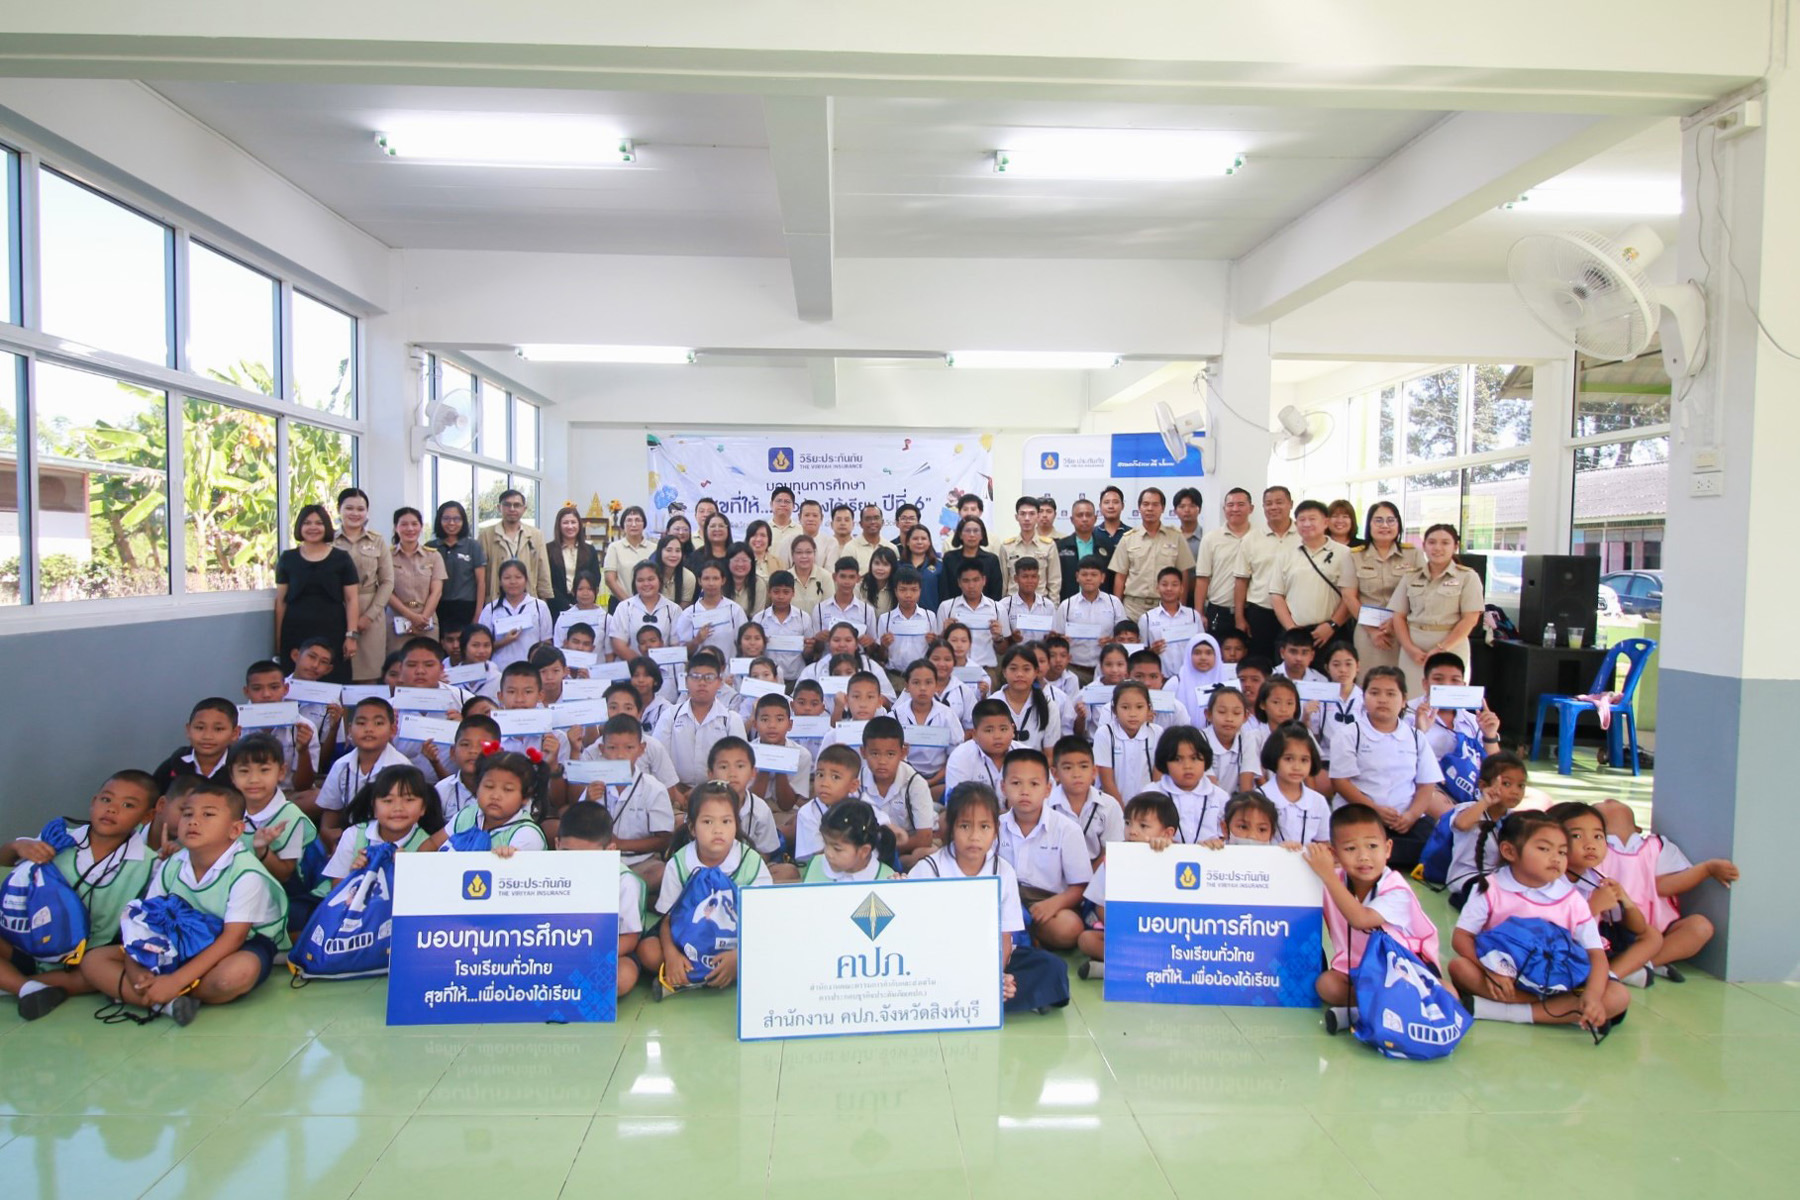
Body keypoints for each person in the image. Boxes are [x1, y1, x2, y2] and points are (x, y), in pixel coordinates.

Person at [82, 779, 289, 1026]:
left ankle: (151, 994)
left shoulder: (246, 873)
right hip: (177, 941)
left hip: (239, 945)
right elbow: (144, 923)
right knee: (93, 961)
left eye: (208, 814)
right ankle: (165, 1002)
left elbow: (232, 939)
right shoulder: (172, 864)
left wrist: (176, 981)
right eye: (187, 814)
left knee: (234, 976)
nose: (193, 821)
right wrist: (138, 971)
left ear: (235, 830)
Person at [1448, 812, 1629, 1035]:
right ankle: (1560, 1012)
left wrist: (1592, 996)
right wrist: (1492, 970)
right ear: (1509, 851)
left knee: (1618, 996)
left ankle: (1504, 1011)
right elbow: (1461, 937)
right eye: (1544, 849)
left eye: (1562, 852)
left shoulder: (1572, 899)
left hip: (1561, 981)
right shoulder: (1490, 887)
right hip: (1509, 979)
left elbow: (1596, 954)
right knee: (1459, 968)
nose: (1556, 858)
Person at [0, 770, 158, 1020]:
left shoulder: (150, 864)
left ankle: (17, 985)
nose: (112, 809)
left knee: (97, 973)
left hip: (80, 960)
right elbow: (5, 858)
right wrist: (18, 846)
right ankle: (27, 988)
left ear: (147, 816)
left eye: (128, 805)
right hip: (27, 945)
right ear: (93, 802)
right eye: (106, 800)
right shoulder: (59, 839)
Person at [907, 781, 1066, 1014]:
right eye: (965, 826)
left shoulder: (1003, 871)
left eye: (984, 827)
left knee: (1053, 968)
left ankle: (987, 994)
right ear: (950, 827)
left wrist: (996, 977)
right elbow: (912, 937)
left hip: (989, 959)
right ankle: (990, 999)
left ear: (995, 829)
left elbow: (1005, 936)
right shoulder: (929, 868)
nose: (974, 837)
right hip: (941, 961)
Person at [1307, 803, 1442, 1034]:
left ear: (1388, 848)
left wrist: (1327, 875)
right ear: (1334, 854)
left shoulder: (1397, 890)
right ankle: (1381, 1011)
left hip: (1404, 972)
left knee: (1447, 994)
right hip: (1358, 970)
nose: (1363, 857)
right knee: (1326, 985)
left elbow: (1360, 919)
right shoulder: (1334, 878)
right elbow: (1295, 868)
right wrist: (1290, 851)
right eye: (1350, 848)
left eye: (1372, 846)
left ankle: (1362, 1013)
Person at [1596, 798, 1738, 978]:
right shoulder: (1595, 850)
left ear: (1638, 829)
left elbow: (1666, 886)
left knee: (1700, 927)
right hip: (1610, 931)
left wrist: (1706, 869)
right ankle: (1626, 968)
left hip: (1657, 929)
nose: (1609, 800)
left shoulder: (1657, 846)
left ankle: (1643, 965)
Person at [1327, 666, 1445, 869]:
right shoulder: (1349, 734)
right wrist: (1374, 811)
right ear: (1364, 697)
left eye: (1391, 694)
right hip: (1362, 816)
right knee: (1357, 842)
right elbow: (1340, 782)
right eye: (1374, 693)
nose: (1382, 699)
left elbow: (1426, 785)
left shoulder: (1416, 737)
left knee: (1433, 848)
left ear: (1404, 699)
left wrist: (1411, 816)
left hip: (1404, 820)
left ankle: (1385, 853)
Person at [1076, 791, 1178, 978]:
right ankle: (1140, 967)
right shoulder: (1116, 858)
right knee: (1087, 940)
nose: (1132, 831)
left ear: (1167, 833)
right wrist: (1124, 930)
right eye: (1128, 823)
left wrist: (1167, 850)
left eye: (1143, 826)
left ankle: (1114, 968)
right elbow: (1100, 906)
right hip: (1125, 934)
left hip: (1162, 935)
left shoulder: (1177, 856)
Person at [998, 747, 1091, 951]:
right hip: (1003, 898)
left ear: (1048, 789)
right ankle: (1023, 936)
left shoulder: (1067, 829)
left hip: (1045, 901)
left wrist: (1054, 904)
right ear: (1003, 787)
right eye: (1016, 783)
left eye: (1034, 784)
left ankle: (1023, 935)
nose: (1024, 791)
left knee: (1069, 928)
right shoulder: (995, 826)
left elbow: (1080, 887)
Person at [556, 801, 646, 997]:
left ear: (610, 851)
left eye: (587, 857)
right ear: (557, 845)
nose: (577, 864)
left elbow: (630, 938)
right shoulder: (546, 870)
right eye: (568, 854)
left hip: (609, 952)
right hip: (558, 950)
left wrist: (590, 959)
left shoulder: (625, 882)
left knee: (622, 978)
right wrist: (505, 859)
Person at [1390, 523, 1488, 695]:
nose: (1437, 548)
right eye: (1432, 542)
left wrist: (1442, 649)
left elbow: (1470, 619)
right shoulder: (1411, 576)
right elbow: (1398, 616)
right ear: (1424, 546)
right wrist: (1410, 648)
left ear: (1455, 546)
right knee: (1411, 699)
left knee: (1447, 701)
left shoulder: (1467, 577)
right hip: (1414, 650)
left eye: (1445, 543)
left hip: (1451, 647)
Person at [275, 503, 361, 683]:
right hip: (295, 630)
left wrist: (351, 636)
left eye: (319, 523)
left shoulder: (341, 558)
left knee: (334, 681)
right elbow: (281, 602)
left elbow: (351, 599)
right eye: (307, 523)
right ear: (299, 527)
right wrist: (278, 639)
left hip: (333, 630)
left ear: (326, 527)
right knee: (295, 682)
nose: (313, 527)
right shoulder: (288, 558)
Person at [321, 764, 440, 886]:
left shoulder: (428, 845)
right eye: (388, 801)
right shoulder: (354, 834)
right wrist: (356, 874)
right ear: (374, 807)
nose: (398, 808)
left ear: (423, 807)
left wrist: (406, 873)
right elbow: (336, 885)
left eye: (409, 800)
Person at [315, 697, 412, 846]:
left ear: (392, 730)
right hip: (348, 838)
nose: (369, 729)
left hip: (390, 841)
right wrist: (331, 835)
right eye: (361, 723)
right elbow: (329, 818)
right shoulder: (341, 766)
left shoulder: (403, 768)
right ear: (349, 730)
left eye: (378, 723)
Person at [1342, 501, 1420, 674]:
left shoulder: (1414, 554)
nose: (1385, 525)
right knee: (1369, 678)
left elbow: (1421, 593)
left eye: (1390, 520)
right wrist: (1372, 631)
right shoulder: (1355, 555)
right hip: (1368, 630)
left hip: (1405, 630)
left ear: (1398, 524)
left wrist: (1396, 623)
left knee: (1404, 680)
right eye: (1378, 520)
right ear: (1369, 525)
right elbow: (1349, 597)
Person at [423, 749, 549, 852]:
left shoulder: (527, 834)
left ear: (525, 797)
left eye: (508, 789)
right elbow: (432, 843)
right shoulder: (467, 814)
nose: (495, 796)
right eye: (489, 786)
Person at [1269, 500, 1354, 651]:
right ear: (1296, 524)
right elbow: (1276, 594)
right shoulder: (1285, 554)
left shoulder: (1345, 553)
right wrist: (1291, 629)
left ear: (1325, 522)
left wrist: (1332, 625)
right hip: (1296, 633)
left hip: (1333, 632)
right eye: (1302, 520)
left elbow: (1350, 596)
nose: (1307, 524)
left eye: (1312, 519)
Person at [331, 487, 396, 682]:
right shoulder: (328, 541)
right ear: (339, 509)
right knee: (336, 671)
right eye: (349, 508)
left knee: (370, 673)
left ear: (367, 512)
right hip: (337, 609)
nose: (355, 513)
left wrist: (369, 616)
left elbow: (387, 581)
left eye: (360, 509)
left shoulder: (377, 541)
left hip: (370, 610)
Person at [1233, 485, 1299, 660]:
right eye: (1268, 504)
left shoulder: (1303, 536)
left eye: (1279, 502)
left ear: (1291, 504)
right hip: (1261, 612)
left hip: (1296, 612)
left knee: (1292, 661)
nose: (1274, 507)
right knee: (1261, 661)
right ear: (1263, 507)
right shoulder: (1251, 539)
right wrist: (1239, 617)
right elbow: (1241, 580)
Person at [858, 717, 935, 867]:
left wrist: (885, 851)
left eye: (890, 754)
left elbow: (924, 838)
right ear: (863, 752)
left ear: (903, 752)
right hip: (866, 851)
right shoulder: (856, 782)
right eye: (875, 754)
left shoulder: (915, 783)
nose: (882, 761)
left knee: (928, 853)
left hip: (903, 848)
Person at [1111, 487, 1194, 621]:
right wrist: (1117, 611)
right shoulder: (1128, 539)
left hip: (1166, 606)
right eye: (1146, 504)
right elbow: (1120, 577)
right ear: (1139, 508)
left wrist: (1181, 607)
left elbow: (1184, 574)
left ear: (1163, 508)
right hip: (1133, 608)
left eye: (1155, 505)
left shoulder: (1176, 537)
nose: (1150, 508)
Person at [1047, 736, 1123, 864]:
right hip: (1054, 870)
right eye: (1068, 768)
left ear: (1094, 771)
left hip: (1098, 870)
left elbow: (1112, 851)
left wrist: (1090, 875)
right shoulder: (1045, 805)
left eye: (1083, 766)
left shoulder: (1109, 806)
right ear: (1055, 774)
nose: (1076, 774)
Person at [1193, 487, 1253, 636]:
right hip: (1219, 611)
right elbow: (1202, 578)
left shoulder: (1260, 537)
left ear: (1251, 508)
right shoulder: (1211, 539)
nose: (1235, 509)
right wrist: (1199, 613)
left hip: (1252, 611)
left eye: (1241, 504)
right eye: (1230, 505)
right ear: (1224, 509)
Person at [1154, 725, 1231, 843]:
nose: (1187, 766)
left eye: (1194, 758)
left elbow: (1229, 837)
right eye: (1178, 759)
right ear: (1165, 762)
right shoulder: (1152, 794)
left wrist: (1218, 842)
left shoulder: (1221, 797)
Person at [1261, 724, 1332, 845]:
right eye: (1288, 759)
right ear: (1274, 757)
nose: (1297, 767)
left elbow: (1324, 842)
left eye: (1304, 760)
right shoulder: (1259, 798)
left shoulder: (1318, 801)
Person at [478, 559, 554, 671]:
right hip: (500, 670)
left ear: (526, 580)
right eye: (507, 578)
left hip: (532, 670)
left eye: (518, 577)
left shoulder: (539, 606)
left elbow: (547, 642)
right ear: (500, 581)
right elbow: (481, 646)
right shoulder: (491, 609)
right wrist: (504, 641)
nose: (513, 582)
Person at [151, 697, 240, 793]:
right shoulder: (173, 765)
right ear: (188, 730)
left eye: (218, 729)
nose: (207, 736)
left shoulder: (241, 766)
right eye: (200, 728)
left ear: (235, 733)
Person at [479, 489, 552, 602]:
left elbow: (543, 569)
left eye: (517, 505)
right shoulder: (486, 535)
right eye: (507, 505)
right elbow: (480, 573)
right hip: (496, 599)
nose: (512, 509)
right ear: (499, 507)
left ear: (524, 509)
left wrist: (544, 599)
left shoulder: (535, 535)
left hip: (528, 599)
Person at [1094, 681, 1161, 804]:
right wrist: (1122, 811)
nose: (1132, 714)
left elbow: (1158, 779)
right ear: (1114, 710)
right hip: (1111, 806)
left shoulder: (1157, 732)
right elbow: (1107, 782)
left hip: (1147, 805)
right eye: (1125, 707)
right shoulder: (1104, 734)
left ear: (1149, 709)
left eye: (1139, 707)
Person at [427, 500, 487, 637]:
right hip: (437, 605)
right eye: (446, 518)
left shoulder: (473, 546)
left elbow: (481, 582)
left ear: (463, 521)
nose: (451, 523)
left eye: (457, 519)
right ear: (439, 520)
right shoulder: (431, 547)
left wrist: (478, 613)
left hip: (467, 606)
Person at [804, 798, 898, 883]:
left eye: (837, 849)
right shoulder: (816, 865)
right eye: (825, 843)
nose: (828, 853)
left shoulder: (887, 880)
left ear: (864, 851)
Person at [388, 506, 447, 640]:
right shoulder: (387, 556)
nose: (410, 529)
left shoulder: (433, 556)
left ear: (421, 527)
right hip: (396, 621)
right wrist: (412, 617)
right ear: (396, 528)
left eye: (414, 524)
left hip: (427, 620)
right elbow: (386, 591)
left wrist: (423, 618)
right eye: (404, 524)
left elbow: (436, 592)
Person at [609, 561, 683, 662]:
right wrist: (642, 666)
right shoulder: (624, 607)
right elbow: (618, 644)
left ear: (660, 580)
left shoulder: (673, 609)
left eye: (651, 579)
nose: (646, 584)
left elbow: (676, 645)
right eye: (640, 580)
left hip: (664, 667)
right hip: (631, 666)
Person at [999, 496, 1063, 601]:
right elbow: (1003, 582)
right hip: (1013, 603)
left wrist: (1054, 606)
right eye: (1022, 514)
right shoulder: (1007, 547)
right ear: (1016, 517)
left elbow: (1054, 582)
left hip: (1040, 603)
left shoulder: (1049, 546)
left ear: (1038, 516)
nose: (1027, 518)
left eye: (1032, 514)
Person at [945, 699, 1012, 792]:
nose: (997, 736)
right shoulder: (960, 757)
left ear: (1013, 729)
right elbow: (956, 799)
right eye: (989, 730)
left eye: (1003, 729)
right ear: (975, 734)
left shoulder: (1026, 755)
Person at [546, 504, 600, 618]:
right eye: (565, 523)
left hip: (584, 606)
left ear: (579, 525)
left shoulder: (589, 550)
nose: (570, 526)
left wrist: (581, 601)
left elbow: (595, 577)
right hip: (556, 607)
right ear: (559, 525)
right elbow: (547, 581)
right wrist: (565, 605)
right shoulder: (549, 550)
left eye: (573, 522)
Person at [1054, 498, 1109, 602]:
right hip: (1068, 603)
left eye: (1088, 515)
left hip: (1100, 604)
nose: (1084, 519)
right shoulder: (1060, 547)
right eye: (1080, 515)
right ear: (1072, 519)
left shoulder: (1106, 546)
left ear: (1095, 518)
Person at [940, 516, 1003, 602]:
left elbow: (996, 591)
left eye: (976, 531)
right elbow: (944, 589)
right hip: (954, 607)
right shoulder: (949, 558)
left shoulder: (991, 560)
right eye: (967, 531)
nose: (972, 535)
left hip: (986, 608)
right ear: (960, 534)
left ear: (982, 535)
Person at [602, 505, 653, 602]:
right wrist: (628, 603)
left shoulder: (654, 548)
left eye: (638, 520)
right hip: (620, 602)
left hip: (649, 602)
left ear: (644, 524)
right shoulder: (614, 548)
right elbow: (610, 579)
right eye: (629, 520)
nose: (633, 524)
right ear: (623, 525)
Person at [898, 524, 941, 611]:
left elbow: (944, 595)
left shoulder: (940, 566)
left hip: (932, 615)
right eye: (915, 539)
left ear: (929, 543)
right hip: (903, 615)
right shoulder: (898, 566)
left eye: (923, 539)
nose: (919, 542)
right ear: (907, 542)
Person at [785, 535, 830, 612]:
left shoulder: (825, 576)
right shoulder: (785, 577)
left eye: (808, 552)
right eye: (799, 552)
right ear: (792, 555)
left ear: (814, 554)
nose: (804, 556)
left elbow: (829, 607)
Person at [766, 485, 802, 564]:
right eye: (779, 501)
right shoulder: (763, 530)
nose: (782, 504)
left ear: (794, 506)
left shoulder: (801, 531)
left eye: (787, 501)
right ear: (771, 504)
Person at [1172, 486, 1205, 566]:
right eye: (1182, 506)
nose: (1187, 510)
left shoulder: (1206, 536)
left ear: (1200, 509)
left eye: (1192, 506)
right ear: (1175, 511)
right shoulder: (1171, 537)